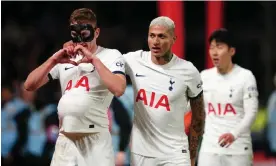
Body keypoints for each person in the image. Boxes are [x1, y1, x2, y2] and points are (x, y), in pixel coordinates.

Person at [64, 16, 205, 166]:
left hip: (175, 153)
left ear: (173, 39)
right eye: (152, 36)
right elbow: (104, 60)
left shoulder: (188, 71)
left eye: (162, 36)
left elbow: (198, 117)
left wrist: (192, 155)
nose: (156, 41)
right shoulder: (134, 60)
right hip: (141, 154)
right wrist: (74, 44)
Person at [24, 8, 126, 166]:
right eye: (75, 33)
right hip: (65, 139)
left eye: (85, 34)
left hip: (95, 139)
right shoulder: (66, 58)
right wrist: (53, 60)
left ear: (96, 32)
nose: (80, 40)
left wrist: (94, 60)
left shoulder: (110, 55)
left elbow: (119, 89)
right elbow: (29, 85)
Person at [198, 28, 259, 166]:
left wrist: (233, 134)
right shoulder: (204, 77)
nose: (214, 52)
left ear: (231, 51)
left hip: (238, 150)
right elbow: (189, 107)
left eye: (219, 47)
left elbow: (251, 113)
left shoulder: (245, 77)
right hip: (209, 148)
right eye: (211, 47)